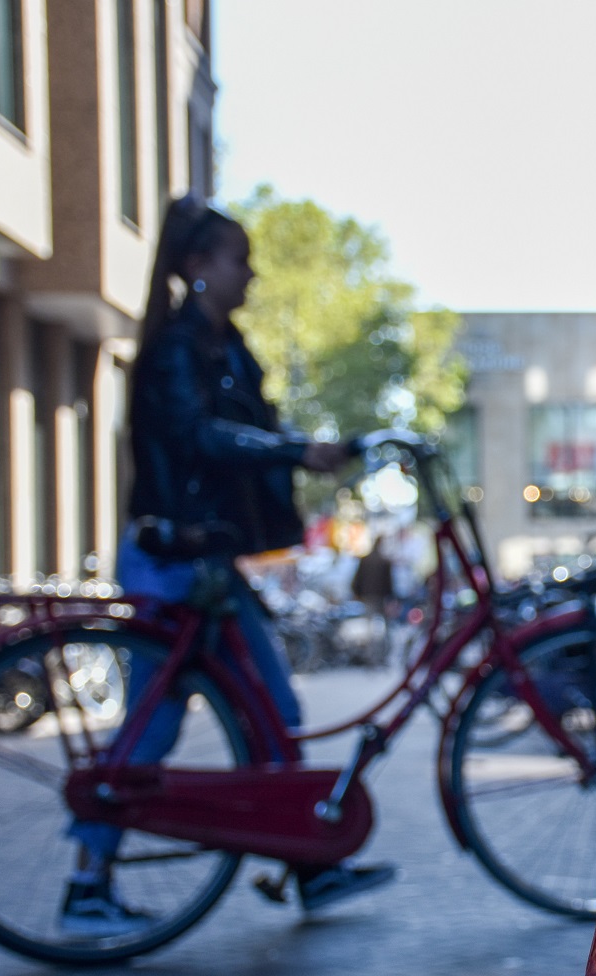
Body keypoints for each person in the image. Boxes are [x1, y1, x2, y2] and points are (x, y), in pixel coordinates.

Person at [62, 194, 395, 935]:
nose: (252, 273)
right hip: (173, 560)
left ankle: (310, 858)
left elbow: (252, 428)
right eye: (239, 259)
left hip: (206, 559)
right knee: (153, 725)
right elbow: (199, 435)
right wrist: (292, 450)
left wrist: (309, 447)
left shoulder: (225, 347)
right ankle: (86, 885)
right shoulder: (177, 349)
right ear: (198, 267)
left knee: (274, 710)